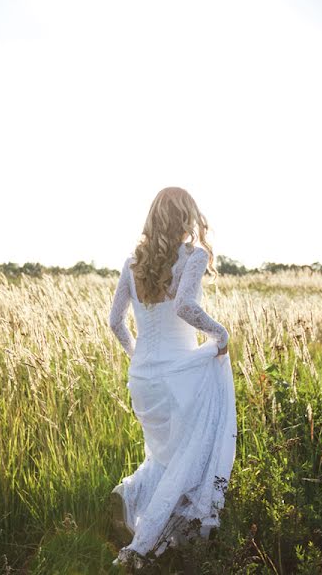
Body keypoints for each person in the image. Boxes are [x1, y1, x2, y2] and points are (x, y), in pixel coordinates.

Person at [108, 186, 237, 568]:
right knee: (190, 457)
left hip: (143, 380)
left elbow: (115, 323)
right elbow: (184, 306)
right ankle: (146, 546)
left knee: (167, 458)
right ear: (186, 217)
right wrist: (220, 334)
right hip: (179, 378)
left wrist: (139, 358)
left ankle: (131, 493)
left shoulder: (133, 263)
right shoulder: (193, 256)